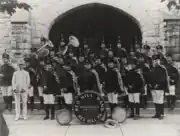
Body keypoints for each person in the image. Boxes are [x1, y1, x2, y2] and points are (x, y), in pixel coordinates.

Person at [148, 55, 169, 120]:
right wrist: (150, 84)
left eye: (157, 60)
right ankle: (157, 113)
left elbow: (163, 78)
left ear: (159, 61)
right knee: (155, 100)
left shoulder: (162, 69)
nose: (155, 62)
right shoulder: (152, 69)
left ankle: (161, 114)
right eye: (154, 61)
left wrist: (158, 84)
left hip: (160, 87)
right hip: (153, 88)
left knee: (160, 101)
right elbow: (150, 78)